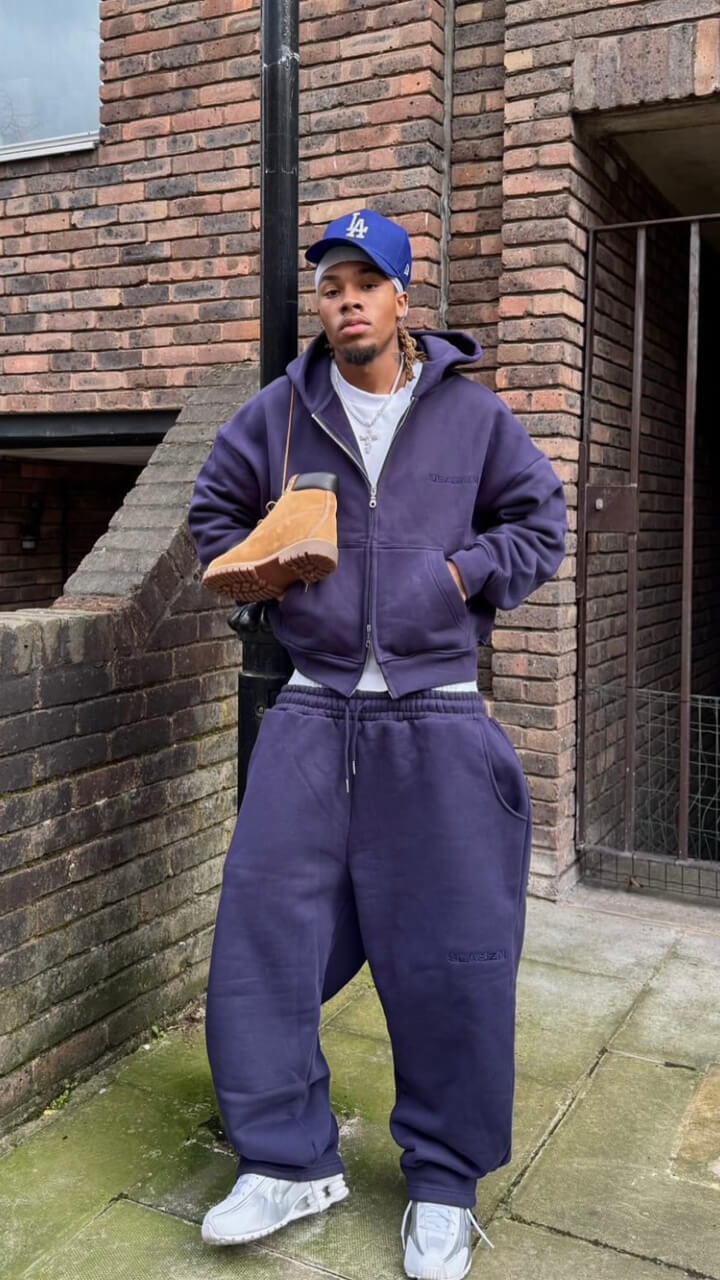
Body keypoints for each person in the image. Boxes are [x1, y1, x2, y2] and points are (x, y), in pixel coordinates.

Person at [188, 208, 567, 1280]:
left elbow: (540, 523)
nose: (346, 300)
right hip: (311, 710)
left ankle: (444, 1181)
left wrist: (453, 578)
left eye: (366, 282)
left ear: (403, 299)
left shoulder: (472, 417)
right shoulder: (279, 414)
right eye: (331, 285)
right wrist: (272, 577)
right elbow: (213, 517)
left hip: (436, 712)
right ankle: (286, 1159)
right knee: (264, 940)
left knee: (452, 955)